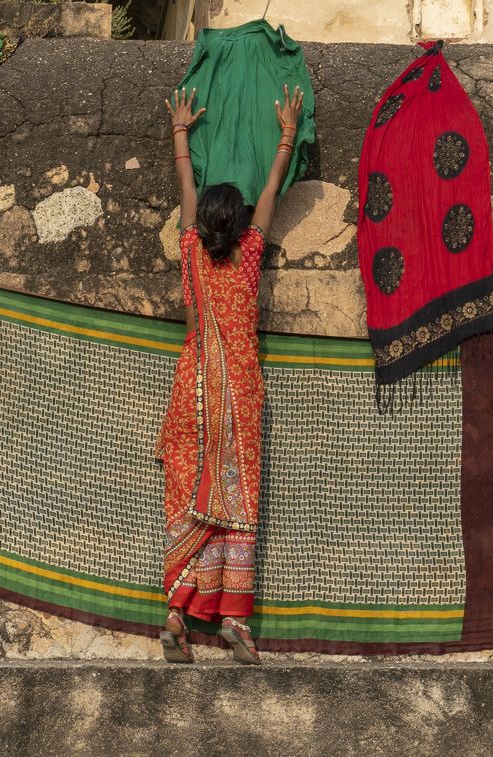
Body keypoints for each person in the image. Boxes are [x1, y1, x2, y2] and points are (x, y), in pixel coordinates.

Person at [156, 84, 303, 665]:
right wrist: (286, 132)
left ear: (203, 226)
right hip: (239, 395)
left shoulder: (191, 248)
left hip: (191, 390)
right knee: (237, 504)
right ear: (240, 225)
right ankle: (235, 624)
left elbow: (186, 191)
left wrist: (180, 132)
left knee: (192, 497)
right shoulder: (248, 257)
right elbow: (272, 188)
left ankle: (176, 614)